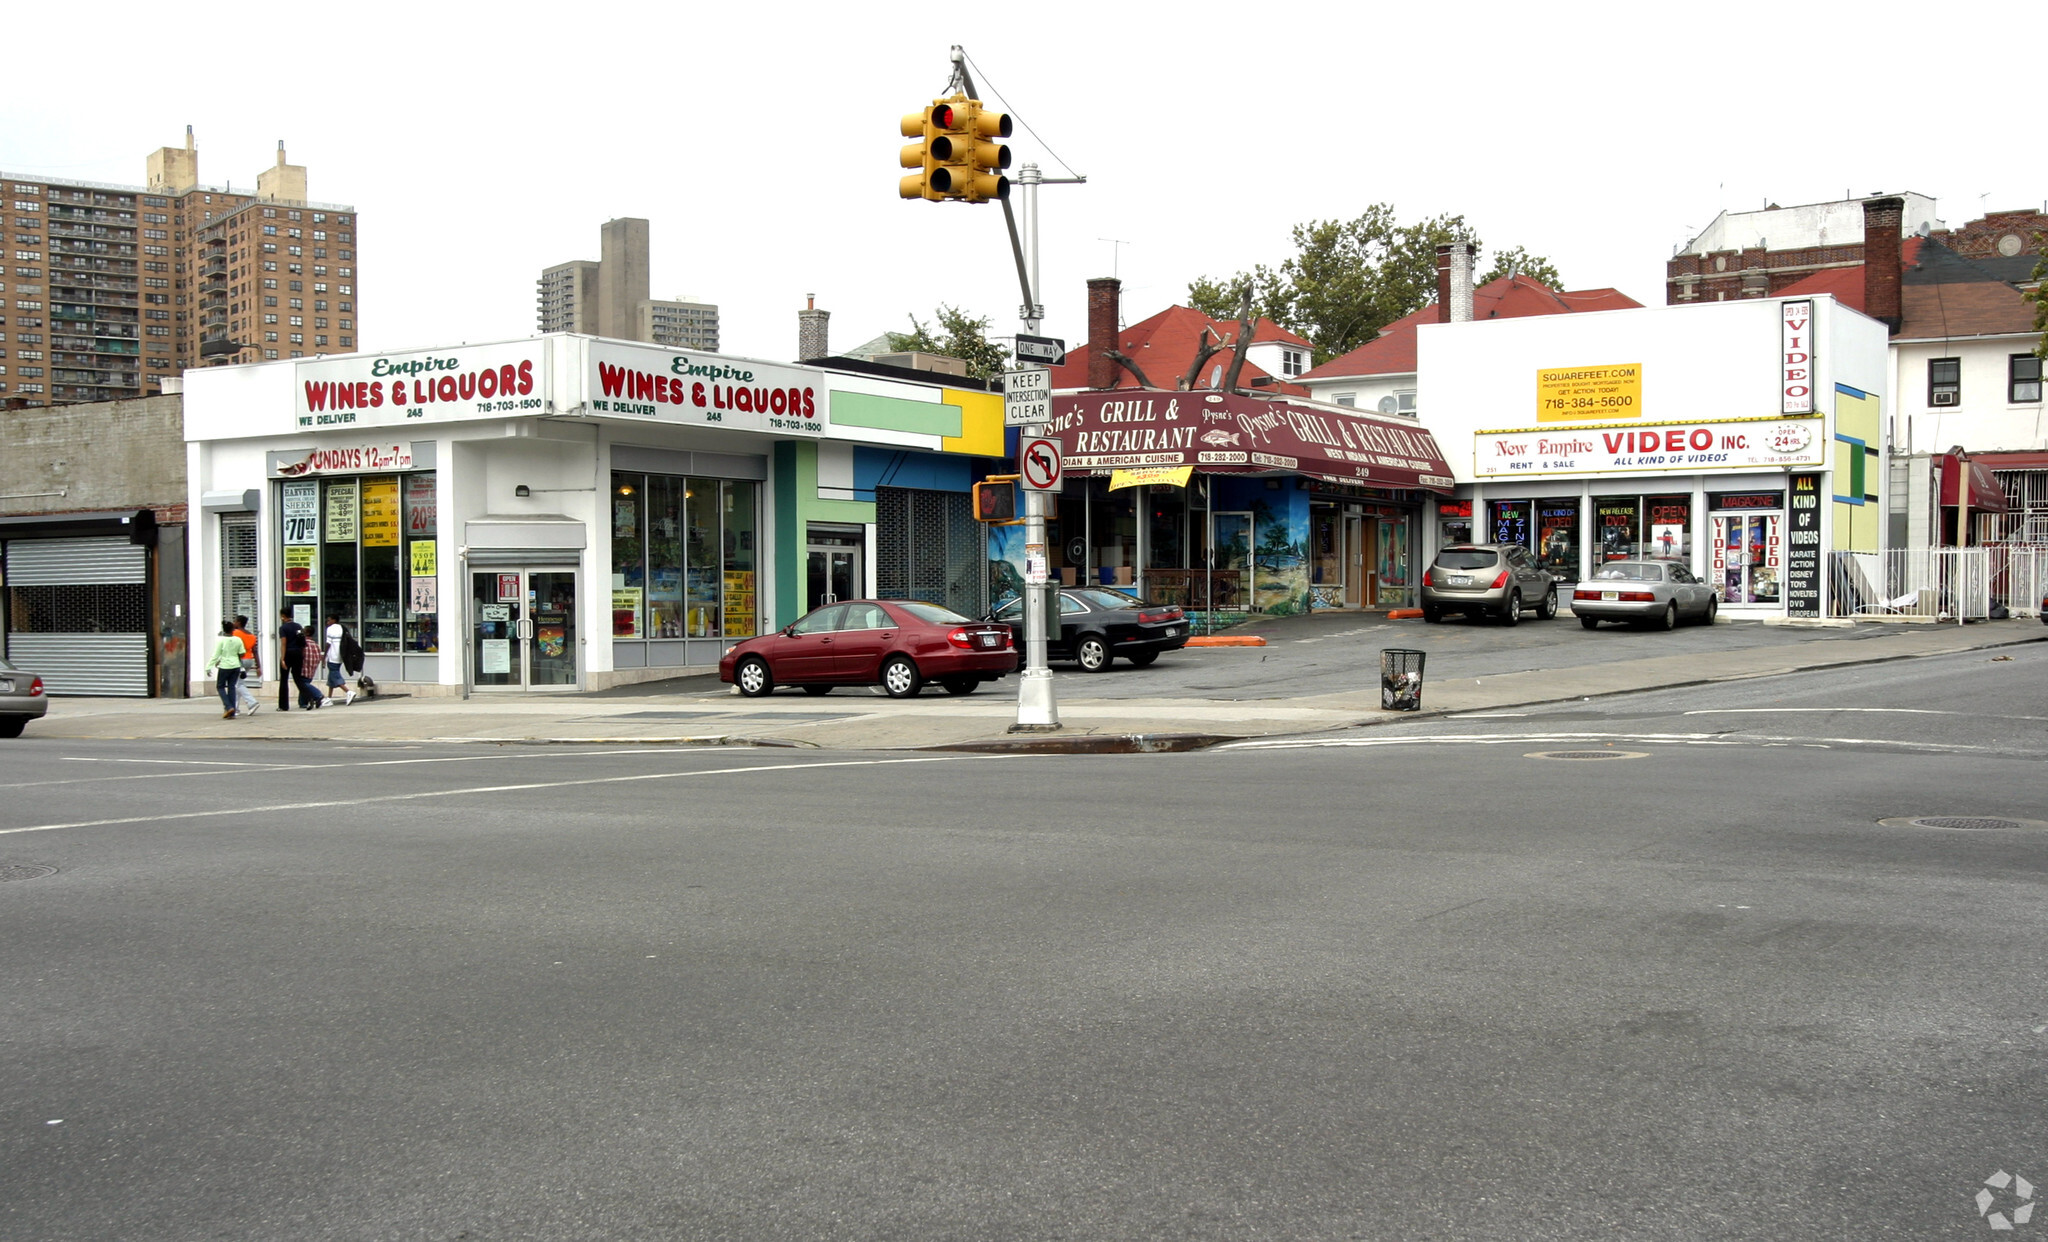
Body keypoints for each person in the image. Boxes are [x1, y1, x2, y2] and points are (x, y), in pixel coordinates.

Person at [277, 608, 326, 711]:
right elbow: (302, 641)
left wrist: (282, 659)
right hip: (298, 653)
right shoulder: (298, 626)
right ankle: (310, 697)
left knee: (284, 680)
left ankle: (283, 705)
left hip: (288, 653)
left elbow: (284, 643)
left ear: (283, 616)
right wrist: (302, 654)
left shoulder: (283, 628)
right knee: (298, 679)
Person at [202, 620, 247, 719]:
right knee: (232, 687)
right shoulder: (238, 640)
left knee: (220, 687)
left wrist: (208, 667)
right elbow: (242, 653)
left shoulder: (221, 640)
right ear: (232, 630)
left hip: (224, 666)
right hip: (235, 666)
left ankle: (228, 706)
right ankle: (232, 711)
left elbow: (215, 655)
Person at [231, 614, 262, 716]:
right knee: (238, 683)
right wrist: (258, 666)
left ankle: (252, 702)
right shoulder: (252, 635)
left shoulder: (235, 633)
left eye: (235, 621)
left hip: (239, 660)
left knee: (237, 684)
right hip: (249, 660)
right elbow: (255, 651)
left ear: (239, 623)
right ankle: (235, 708)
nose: (233, 623)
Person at [322, 615, 356, 705]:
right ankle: (329, 698)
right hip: (340, 654)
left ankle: (348, 692)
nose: (327, 622)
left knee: (334, 673)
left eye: (329, 620)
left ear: (334, 620)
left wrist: (324, 656)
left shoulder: (330, 629)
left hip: (332, 655)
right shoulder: (342, 628)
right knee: (331, 676)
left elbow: (328, 643)